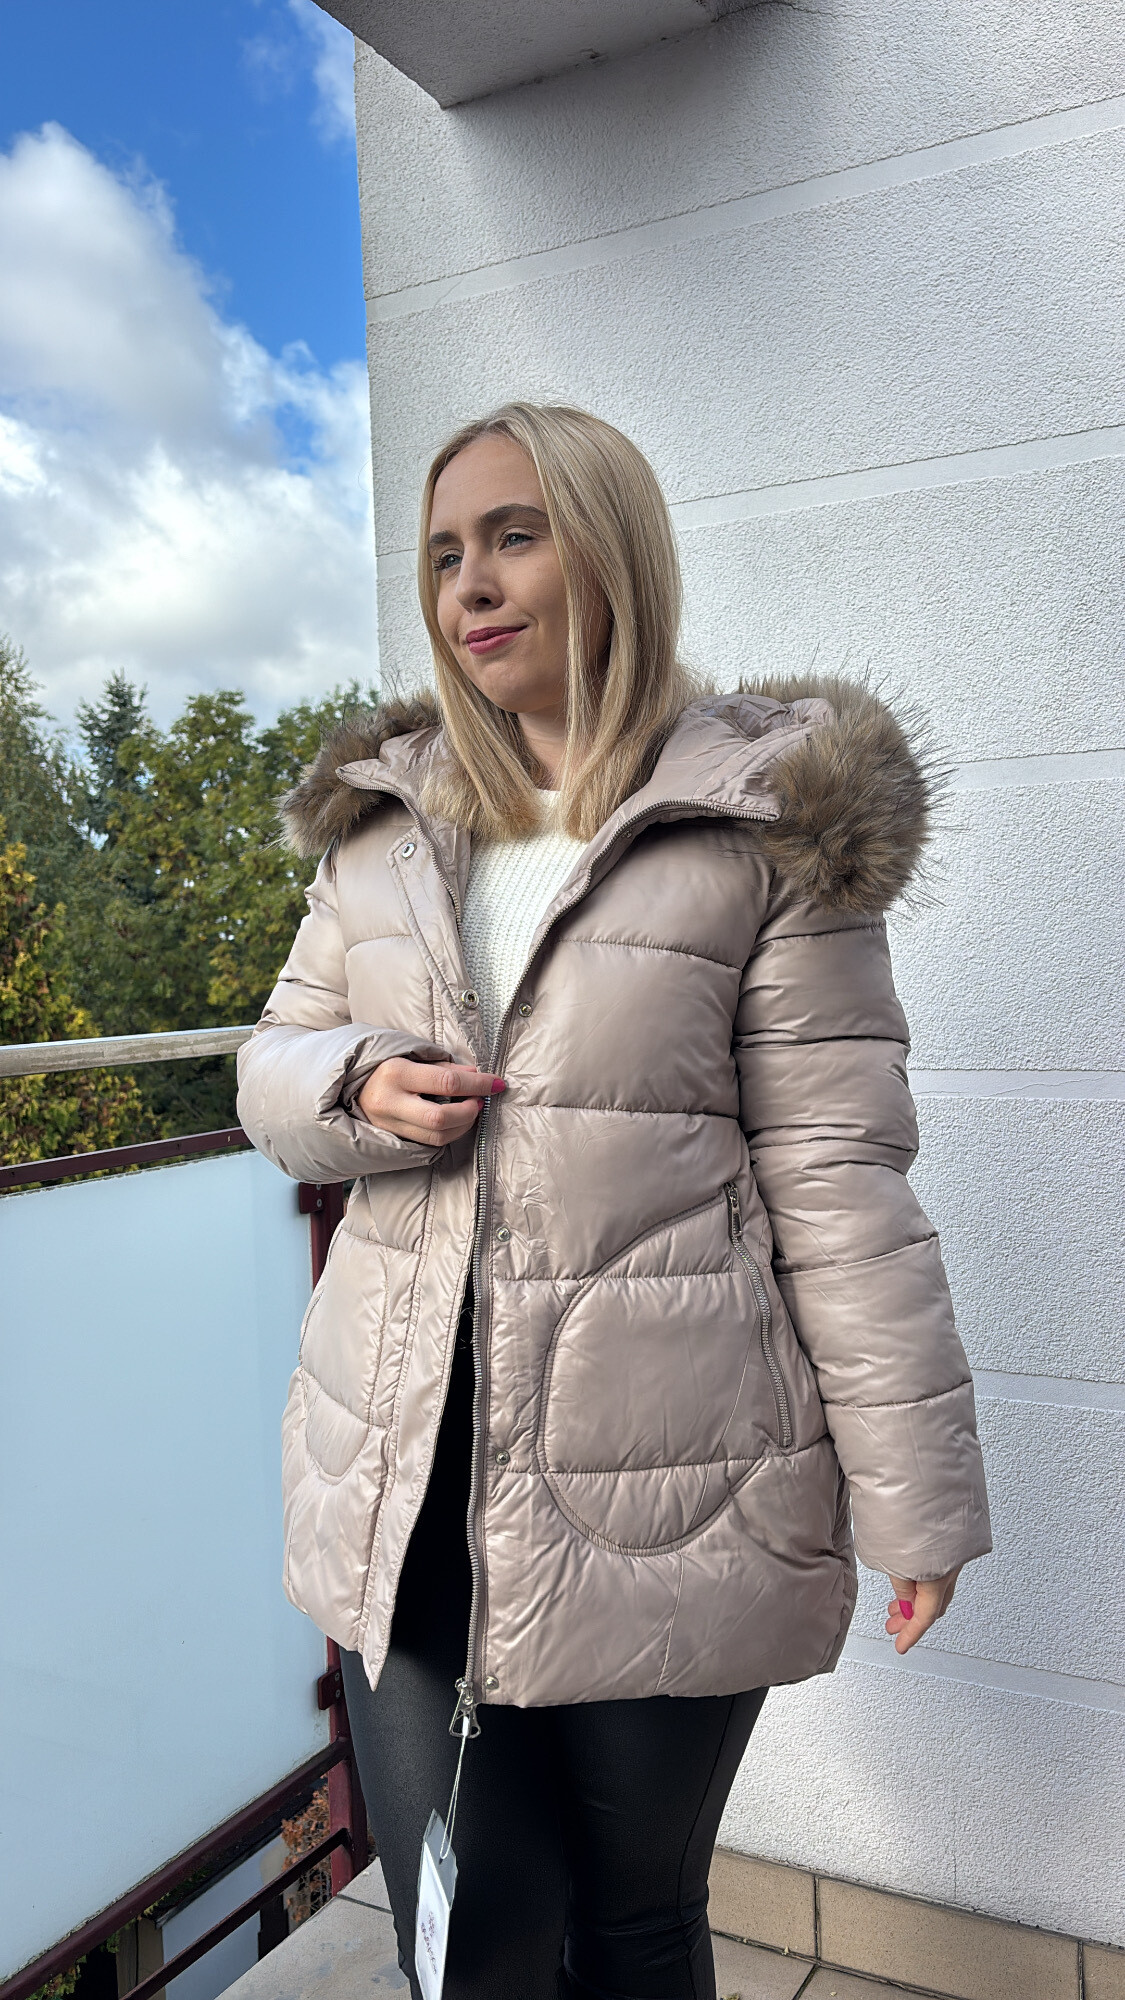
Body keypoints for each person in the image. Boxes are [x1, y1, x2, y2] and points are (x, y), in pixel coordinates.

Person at [236, 402, 992, 1999]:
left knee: (637, 1919)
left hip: (679, 1478)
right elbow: (271, 1067)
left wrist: (913, 1495)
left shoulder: (761, 824)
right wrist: (355, 1082)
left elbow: (837, 1179)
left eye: (514, 536)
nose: (468, 584)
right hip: (405, 1467)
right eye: (444, 553)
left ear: (612, 551)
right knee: (474, 1934)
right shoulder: (381, 826)